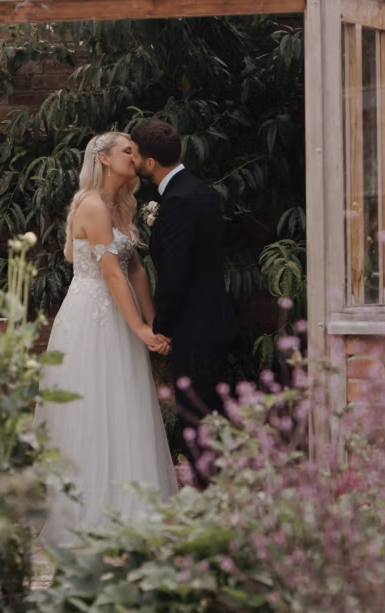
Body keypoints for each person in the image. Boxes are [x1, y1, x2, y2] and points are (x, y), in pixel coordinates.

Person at [36, 131, 177, 546]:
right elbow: (112, 272)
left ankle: (131, 504)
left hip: (122, 309)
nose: (136, 157)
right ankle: (90, 512)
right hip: (92, 315)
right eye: (127, 151)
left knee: (125, 403)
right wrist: (139, 329)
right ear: (104, 160)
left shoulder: (122, 205)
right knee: (93, 405)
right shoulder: (94, 205)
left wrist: (154, 322)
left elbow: (134, 270)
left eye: (135, 151)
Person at [129, 120, 239, 481]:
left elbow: (175, 276)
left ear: (149, 162)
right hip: (214, 320)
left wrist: (162, 327)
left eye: (136, 155)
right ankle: (219, 493)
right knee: (212, 414)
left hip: (193, 327)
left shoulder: (176, 202)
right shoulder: (202, 192)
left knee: (197, 418)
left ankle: (209, 501)